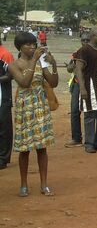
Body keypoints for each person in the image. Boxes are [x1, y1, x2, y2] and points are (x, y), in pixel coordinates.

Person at [8, 32, 58, 196]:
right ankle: (24, 184)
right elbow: (24, 82)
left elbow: (53, 83)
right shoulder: (14, 65)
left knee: (42, 148)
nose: (32, 48)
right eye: (28, 45)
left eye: (33, 44)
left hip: (40, 106)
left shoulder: (40, 63)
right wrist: (35, 60)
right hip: (25, 108)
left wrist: (54, 65)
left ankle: (44, 184)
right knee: (25, 149)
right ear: (20, 47)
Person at [0, 50, 14, 170]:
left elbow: (11, 75)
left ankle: (3, 158)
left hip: (3, 96)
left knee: (4, 126)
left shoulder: (5, 54)